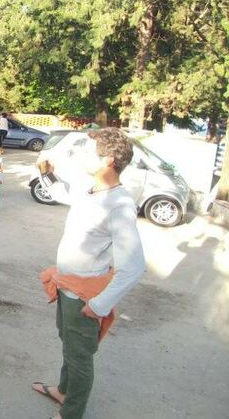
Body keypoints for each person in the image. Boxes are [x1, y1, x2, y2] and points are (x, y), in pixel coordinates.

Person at [31, 128, 145, 419]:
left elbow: (133, 267)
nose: (81, 154)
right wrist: (46, 174)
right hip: (66, 286)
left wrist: (99, 305)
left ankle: (71, 413)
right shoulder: (91, 189)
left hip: (85, 295)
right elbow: (62, 193)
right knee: (68, 343)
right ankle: (63, 391)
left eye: (88, 150)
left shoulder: (119, 205)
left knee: (80, 357)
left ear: (107, 160)